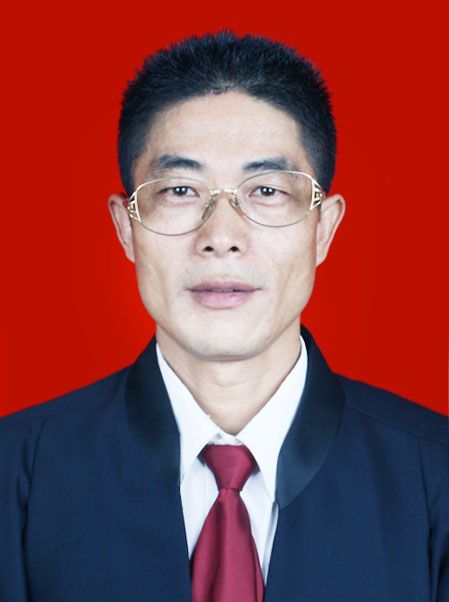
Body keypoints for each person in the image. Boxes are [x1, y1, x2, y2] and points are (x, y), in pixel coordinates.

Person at [0, 30, 448, 602]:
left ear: (324, 229)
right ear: (126, 227)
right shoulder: (16, 474)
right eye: (179, 189)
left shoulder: (435, 476)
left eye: (267, 190)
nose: (221, 237)